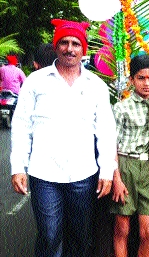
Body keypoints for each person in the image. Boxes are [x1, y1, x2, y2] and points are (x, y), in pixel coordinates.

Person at [10, 18, 117, 257]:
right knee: (49, 236)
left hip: (83, 174)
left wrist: (107, 172)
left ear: (83, 49)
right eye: (65, 43)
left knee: (80, 237)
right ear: (56, 46)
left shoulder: (96, 85)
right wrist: (18, 167)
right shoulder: (36, 81)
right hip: (44, 173)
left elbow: (106, 131)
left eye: (76, 44)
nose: (70, 48)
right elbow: (21, 125)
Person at [111, 54, 149, 257]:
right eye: (141, 78)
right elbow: (112, 146)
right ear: (132, 80)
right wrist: (116, 179)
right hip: (126, 166)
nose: (146, 83)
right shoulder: (121, 108)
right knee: (122, 229)